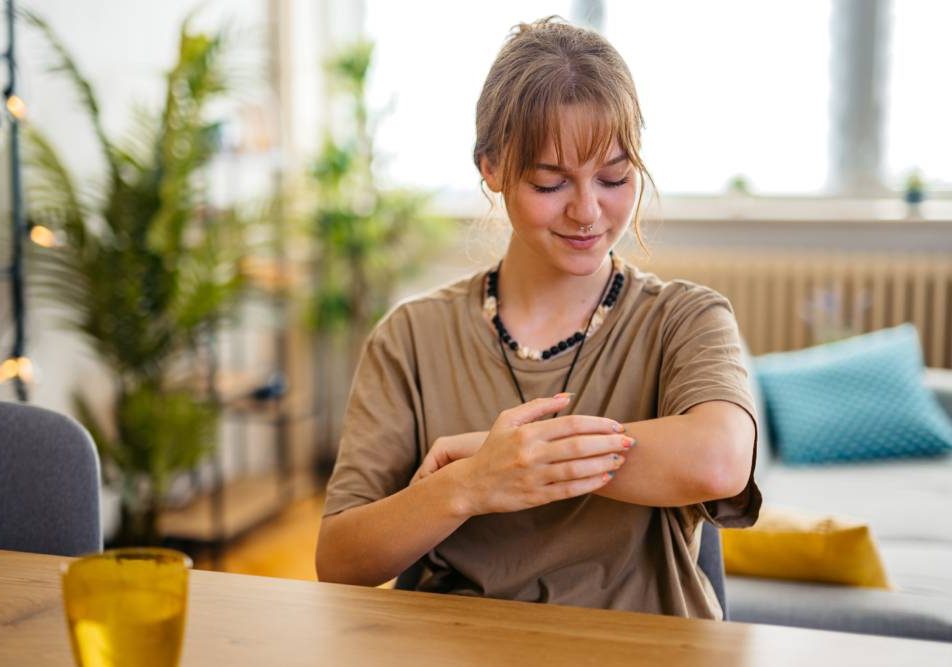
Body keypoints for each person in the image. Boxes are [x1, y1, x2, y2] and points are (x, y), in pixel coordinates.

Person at [316, 17, 760, 620]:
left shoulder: (685, 318)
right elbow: (341, 560)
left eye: (614, 177)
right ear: (492, 169)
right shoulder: (411, 336)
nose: (587, 211)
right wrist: (472, 484)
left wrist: (513, 456)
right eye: (550, 183)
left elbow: (719, 461)